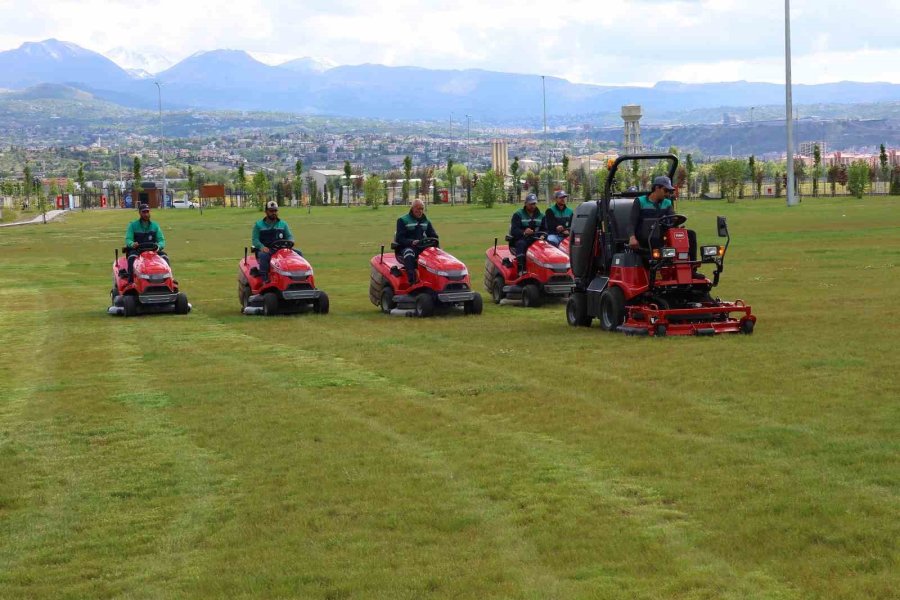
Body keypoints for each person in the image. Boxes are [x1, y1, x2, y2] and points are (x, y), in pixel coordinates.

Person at [628, 176, 697, 261]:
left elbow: (672, 217)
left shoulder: (667, 203)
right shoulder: (640, 201)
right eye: (666, 190)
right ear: (657, 188)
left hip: (662, 235)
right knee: (655, 236)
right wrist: (632, 237)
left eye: (669, 191)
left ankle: (692, 266)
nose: (668, 194)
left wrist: (676, 222)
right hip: (645, 237)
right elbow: (632, 222)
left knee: (690, 234)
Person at [252, 200, 300, 282]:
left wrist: (291, 241)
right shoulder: (258, 225)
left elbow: (289, 236)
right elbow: (255, 239)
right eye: (271, 211)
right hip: (267, 250)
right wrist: (261, 247)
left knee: (299, 253)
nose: (274, 213)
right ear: (266, 212)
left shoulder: (283, 224)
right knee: (264, 256)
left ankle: (297, 277)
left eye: (275, 210)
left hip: (281, 249)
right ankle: (265, 279)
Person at [395, 199, 438, 285]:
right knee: (409, 253)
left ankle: (436, 279)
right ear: (412, 208)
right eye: (418, 209)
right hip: (408, 247)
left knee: (436, 254)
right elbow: (400, 238)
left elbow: (434, 236)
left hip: (423, 247)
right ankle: (412, 279)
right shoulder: (402, 220)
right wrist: (411, 242)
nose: (420, 211)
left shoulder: (426, 221)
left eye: (422, 209)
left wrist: (435, 246)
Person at [125, 203, 167, 282]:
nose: (146, 214)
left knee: (165, 257)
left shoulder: (155, 226)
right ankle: (131, 281)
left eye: (147, 212)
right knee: (131, 258)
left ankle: (168, 280)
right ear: (139, 213)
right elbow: (128, 239)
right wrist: (132, 244)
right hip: (137, 251)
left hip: (153, 251)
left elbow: (161, 240)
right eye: (144, 212)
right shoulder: (133, 226)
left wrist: (159, 246)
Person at [509, 193, 546, 275]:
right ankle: (521, 268)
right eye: (531, 204)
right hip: (522, 238)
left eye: (534, 204)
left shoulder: (542, 215)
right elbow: (514, 230)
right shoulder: (518, 214)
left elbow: (545, 229)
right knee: (521, 244)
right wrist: (524, 232)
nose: (533, 206)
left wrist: (543, 235)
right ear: (525, 203)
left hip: (537, 239)